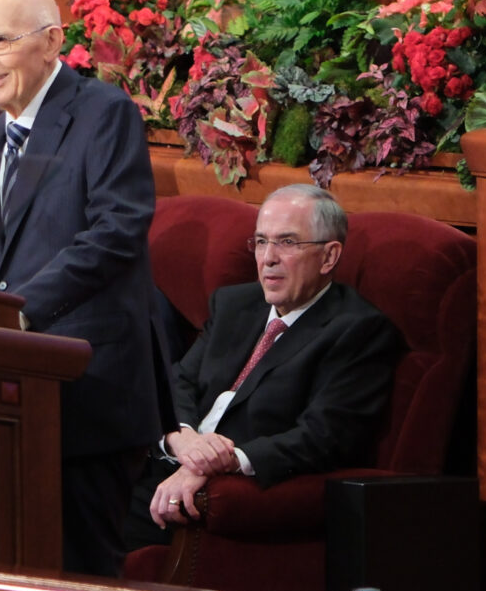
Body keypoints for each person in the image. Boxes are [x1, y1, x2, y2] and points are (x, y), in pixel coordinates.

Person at [0, 0, 158, 576]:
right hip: (12, 392)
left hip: (84, 387)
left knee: (82, 574)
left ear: (52, 42)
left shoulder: (103, 112)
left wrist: (18, 309)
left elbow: (117, 229)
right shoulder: (0, 131)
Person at [122, 185, 405, 551]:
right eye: (260, 242)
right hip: (165, 462)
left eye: (287, 242)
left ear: (328, 256)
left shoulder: (357, 330)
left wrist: (221, 464)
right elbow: (178, 381)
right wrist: (184, 439)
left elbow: (323, 436)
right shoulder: (234, 304)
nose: (268, 258)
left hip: (229, 492)